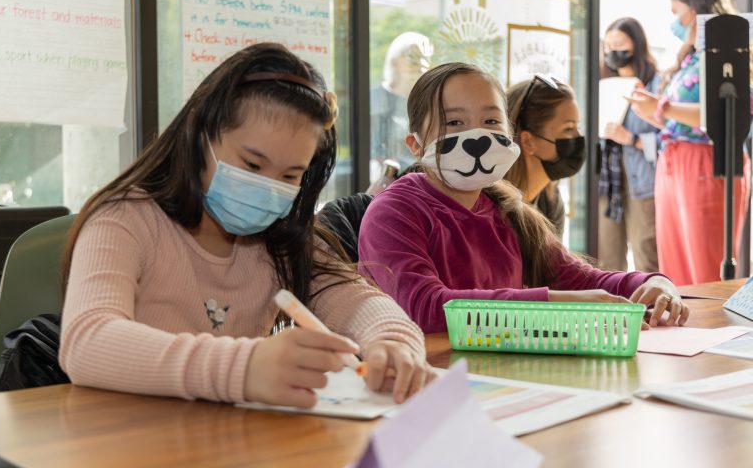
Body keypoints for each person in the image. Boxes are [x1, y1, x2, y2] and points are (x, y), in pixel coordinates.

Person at [59, 43, 433, 407]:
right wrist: (244, 368)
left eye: (290, 175)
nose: (268, 187)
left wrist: (394, 344)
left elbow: (360, 303)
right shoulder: (124, 218)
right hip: (130, 434)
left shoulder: (280, 239)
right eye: (252, 164)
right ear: (200, 137)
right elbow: (87, 342)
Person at [357, 62, 689, 334]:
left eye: (491, 121)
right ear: (415, 145)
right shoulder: (394, 212)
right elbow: (425, 308)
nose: (477, 135)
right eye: (454, 122)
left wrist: (654, 282)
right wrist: (558, 306)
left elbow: (583, 279)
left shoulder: (509, 211)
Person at [626, 0, 751, 285]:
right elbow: (679, 122)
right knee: (675, 261)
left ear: (695, 12)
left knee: (705, 261)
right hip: (674, 160)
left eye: (676, 12)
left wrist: (662, 107)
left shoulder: (728, 57)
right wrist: (652, 110)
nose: (674, 22)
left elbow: (727, 112)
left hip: (708, 160)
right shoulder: (690, 58)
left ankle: (712, 318)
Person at [598, 17, 661, 272]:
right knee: (607, 259)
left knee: (646, 256)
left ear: (636, 44)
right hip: (607, 181)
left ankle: (653, 299)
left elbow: (671, 138)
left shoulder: (656, 85)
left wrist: (632, 139)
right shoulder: (602, 84)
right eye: (608, 46)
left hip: (643, 182)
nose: (613, 52)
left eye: (619, 45)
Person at [504, 75, 586, 237]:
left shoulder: (551, 202)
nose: (579, 137)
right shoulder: (493, 209)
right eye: (568, 129)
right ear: (528, 141)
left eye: (578, 127)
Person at [370, 32, 434, 183]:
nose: (422, 65)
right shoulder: (374, 99)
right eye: (414, 58)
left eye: (426, 58)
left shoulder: (429, 103)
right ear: (395, 62)